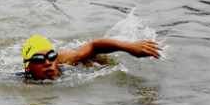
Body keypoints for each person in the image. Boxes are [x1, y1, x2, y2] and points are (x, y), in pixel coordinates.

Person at [21, 34, 160, 81]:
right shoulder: (22, 82)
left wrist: (129, 47)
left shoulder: (67, 60)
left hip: (86, 59)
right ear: (28, 68)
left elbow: (94, 46)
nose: (48, 62)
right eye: (38, 59)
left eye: (51, 56)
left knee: (97, 61)